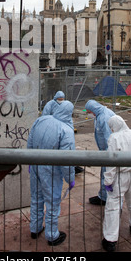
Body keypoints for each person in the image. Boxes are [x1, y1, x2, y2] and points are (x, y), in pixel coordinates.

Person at [27, 100, 75, 246]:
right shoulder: (66, 130)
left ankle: (35, 229)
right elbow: (67, 160)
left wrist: (29, 160)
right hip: (51, 171)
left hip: (35, 165)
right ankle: (52, 235)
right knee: (52, 202)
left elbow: (29, 141)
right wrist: (70, 178)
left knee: (36, 197)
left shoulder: (41, 120)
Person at [102, 115, 131, 252]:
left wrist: (108, 180)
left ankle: (110, 239)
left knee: (113, 206)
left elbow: (111, 161)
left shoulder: (114, 138)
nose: (111, 129)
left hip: (120, 176)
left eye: (111, 127)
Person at [85, 100, 115, 205]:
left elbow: (109, 138)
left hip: (109, 151)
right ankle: (103, 196)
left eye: (89, 112)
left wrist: (108, 153)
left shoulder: (104, 117)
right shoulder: (99, 115)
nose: (89, 114)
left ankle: (108, 199)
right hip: (104, 151)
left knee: (108, 175)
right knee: (104, 174)